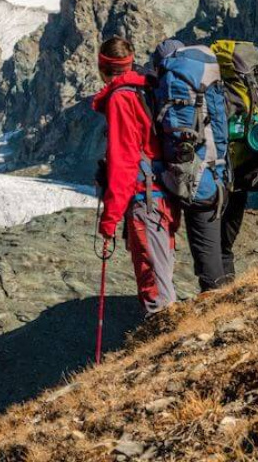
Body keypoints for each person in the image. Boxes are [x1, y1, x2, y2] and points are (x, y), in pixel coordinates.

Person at [93, 35, 178, 315]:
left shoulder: (120, 98)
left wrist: (109, 218)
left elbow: (123, 162)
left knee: (152, 279)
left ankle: (165, 340)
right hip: (163, 195)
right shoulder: (146, 88)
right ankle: (171, 335)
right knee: (161, 270)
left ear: (103, 67)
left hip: (144, 199)